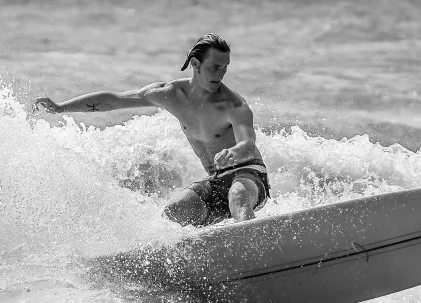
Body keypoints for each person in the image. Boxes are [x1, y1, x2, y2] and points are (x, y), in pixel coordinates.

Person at [32, 33, 270, 227]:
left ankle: (257, 250)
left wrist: (235, 152)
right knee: (173, 214)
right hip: (216, 180)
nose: (220, 74)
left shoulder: (233, 105)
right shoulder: (170, 94)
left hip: (248, 175)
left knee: (237, 196)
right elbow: (114, 100)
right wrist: (61, 107)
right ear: (196, 64)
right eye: (215, 67)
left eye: (225, 67)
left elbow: (248, 143)